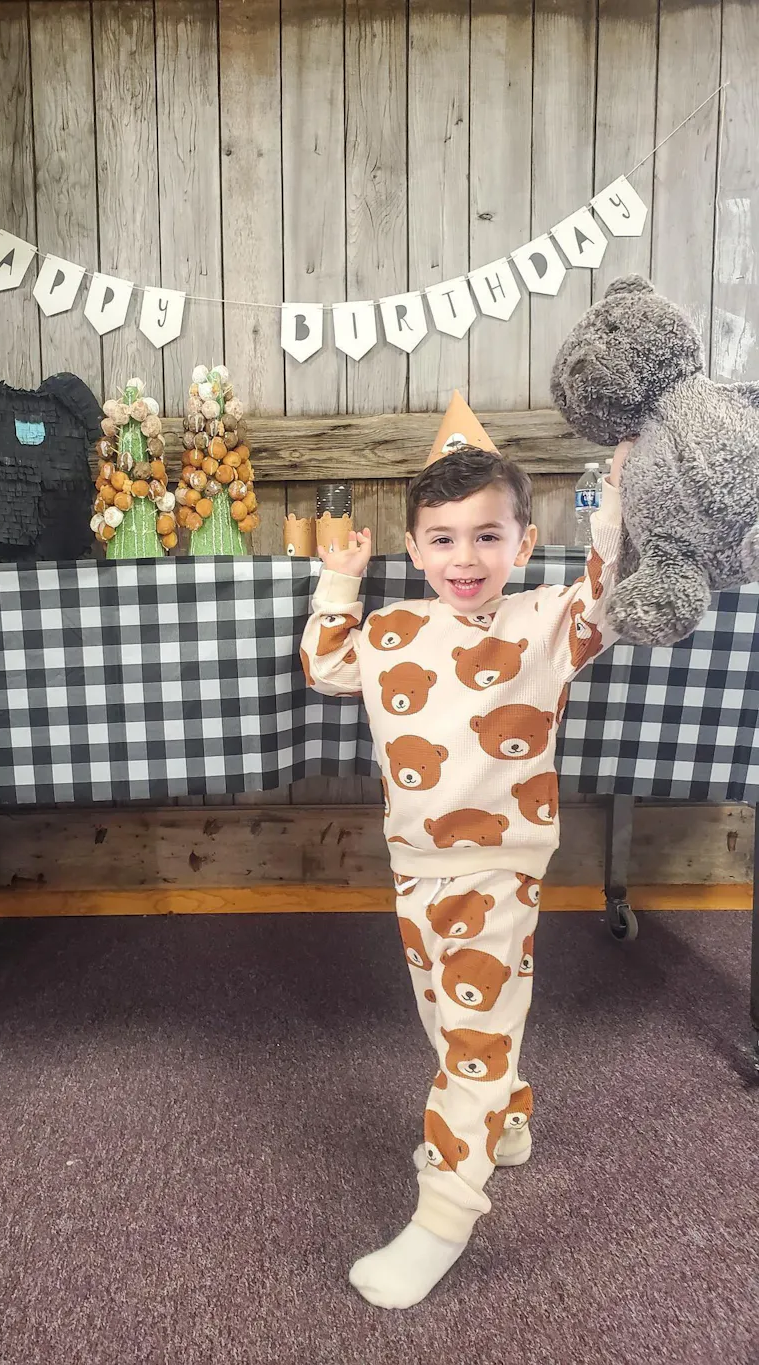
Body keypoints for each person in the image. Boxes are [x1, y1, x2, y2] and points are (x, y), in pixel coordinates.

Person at [299, 414, 629, 1310]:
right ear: (414, 547)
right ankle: (508, 1123)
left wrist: (618, 498)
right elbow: (324, 665)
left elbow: (606, 595)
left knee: (474, 1038)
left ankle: (443, 1217)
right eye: (443, 538)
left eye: (488, 535)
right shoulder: (393, 629)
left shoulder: (545, 619)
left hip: (502, 868)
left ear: (524, 542)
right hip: (415, 867)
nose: (466, 556)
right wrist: (341, 579)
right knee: (448, 1018)